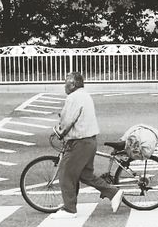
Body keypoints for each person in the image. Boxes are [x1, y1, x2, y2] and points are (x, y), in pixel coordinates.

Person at [51, 71, 122, 216]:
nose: (64, 86)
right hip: (89, 141)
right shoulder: (85, 95)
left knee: (65, 174)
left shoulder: (74, 97)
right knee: (85, 175)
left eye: (66, 82)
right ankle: (113, 193)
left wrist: (59, 132)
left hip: (79, 142)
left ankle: (70, 209)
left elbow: (68, 120)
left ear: (73, 84)